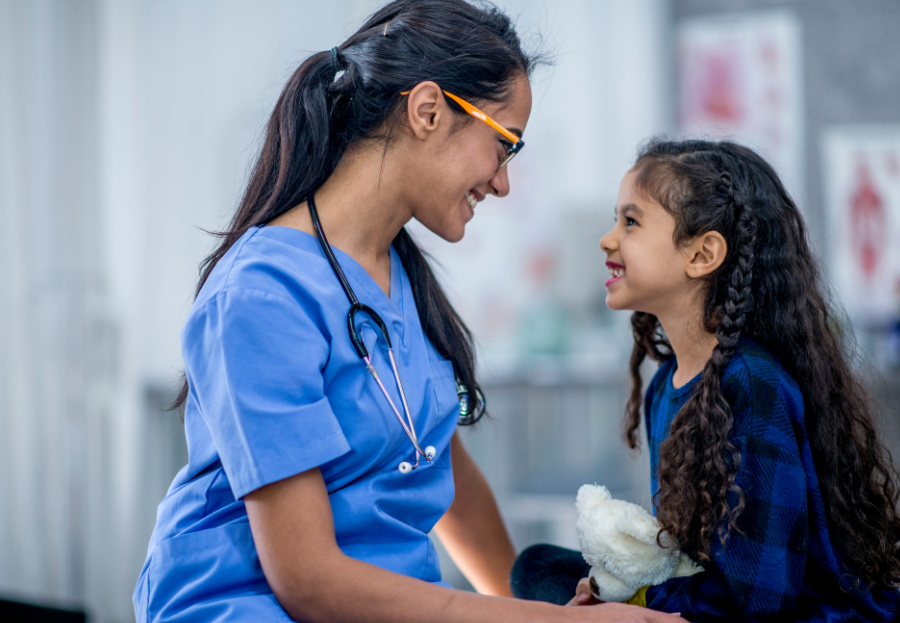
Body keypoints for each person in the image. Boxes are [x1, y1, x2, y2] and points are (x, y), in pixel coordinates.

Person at [132, 2, 684, 622]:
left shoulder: (397, 276)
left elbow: (438, 460)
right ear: (427, 111)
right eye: (503, 146)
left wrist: (525, 604)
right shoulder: (261, 296)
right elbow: (307, 580)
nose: (502, 183)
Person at [512, 139, 900, 621]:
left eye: (630, 222)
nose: (607, 239)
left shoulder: (752, 385)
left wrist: (638, 603)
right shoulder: (665, 387)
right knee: (536, 567)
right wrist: (612, 588)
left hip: (785, 611)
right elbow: (687, 555)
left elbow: (760, 599)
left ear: (702, 254)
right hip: (716, 590)